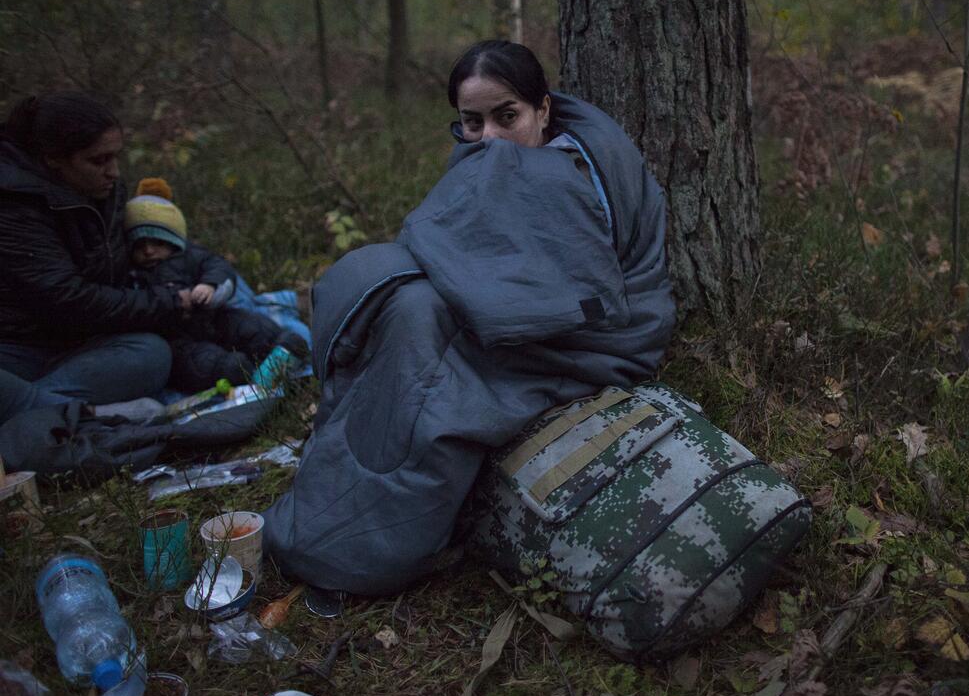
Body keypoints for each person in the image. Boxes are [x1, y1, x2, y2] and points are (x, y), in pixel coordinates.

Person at [263, 40, 676, 595]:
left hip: (594, 339)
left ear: (544, 110)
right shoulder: (507, 154)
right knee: (404, 310)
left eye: (508, 116)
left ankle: (353, 551)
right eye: (472, 123)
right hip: (529, 319)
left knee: (426, 345)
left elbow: (565, 295)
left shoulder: (564, 170)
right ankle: (330, 514)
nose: (491, 139)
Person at [0, 93, 184, 405]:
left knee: (151, 354)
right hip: (17, 347)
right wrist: (165, 303)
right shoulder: (13, 204)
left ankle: (42, 409)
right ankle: (58, 414)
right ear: (53, 158)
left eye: (115, 157)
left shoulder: (102, 191)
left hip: (78, 345)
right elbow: (66, 298)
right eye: (98, 161)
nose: (113, 171)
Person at [123, 179, 308, 391]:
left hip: (214, 316)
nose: (148, 251)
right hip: (177, 339)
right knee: (202, 363)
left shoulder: (190, 255)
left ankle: (284, 348)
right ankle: (240, 374)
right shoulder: (132, 275)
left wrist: (210, 286)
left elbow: (218, 266)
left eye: (157, 242)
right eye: (140, 245)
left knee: (251, 326)